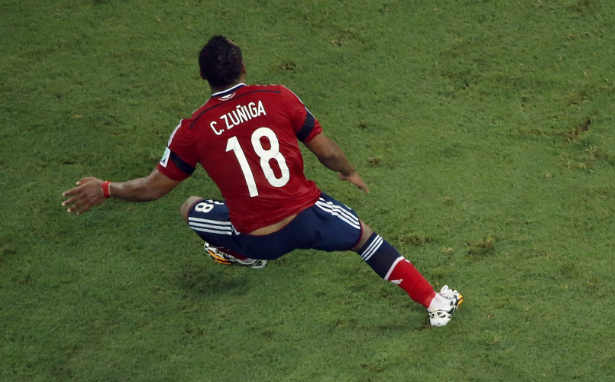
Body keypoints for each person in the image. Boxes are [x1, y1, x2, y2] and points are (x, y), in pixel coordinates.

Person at [61, 35, 462, 327]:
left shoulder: (193, 129)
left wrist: (107, 187)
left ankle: (243, 255)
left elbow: (153, 188)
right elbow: (326, 151)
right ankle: (432, 302)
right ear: (243, 68)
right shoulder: (278, 97)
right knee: (366, 240)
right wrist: (348, 170)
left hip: (258, 235)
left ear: (203, 77)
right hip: (309, 217)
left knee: (189, 208)